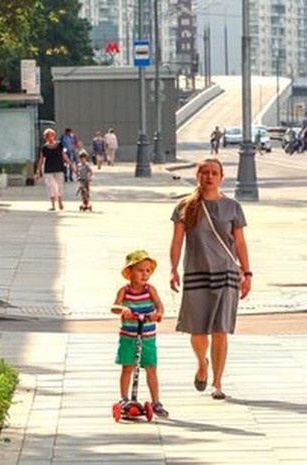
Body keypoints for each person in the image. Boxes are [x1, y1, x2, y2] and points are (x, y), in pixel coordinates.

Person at [169, 157, 251, 401]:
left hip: (226, 274)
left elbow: (240, 242)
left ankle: (217, 382)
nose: (209, 177)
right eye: (205, 172)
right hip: (196, 272)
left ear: (221, 177)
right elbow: (177, 241)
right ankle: (202, 364)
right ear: (198, 176)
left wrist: (247, 273)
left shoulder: (232, 207)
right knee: (197, 331)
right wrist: (173, 269)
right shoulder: (186, 206)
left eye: (214, 173)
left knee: (220, 329)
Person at [112, 250, 168, 417]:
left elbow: (160, 306)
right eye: (140, 270)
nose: (144, 274)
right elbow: (114, 307)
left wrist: (157, 314)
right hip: (128, 337)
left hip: (147, 337)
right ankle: (124, 398)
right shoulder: (124, 290)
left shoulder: (150, 290)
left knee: (151, 367)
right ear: (129, 272)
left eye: (147, 271)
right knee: (127, 367)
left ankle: (156, 401)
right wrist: (124, 309)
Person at [36, 128, 74, 211]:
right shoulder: (44, 147)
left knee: (59, 186)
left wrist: (71, 164)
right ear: (46, 137)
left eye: (52, 135)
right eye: (48, 136)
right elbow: (41, 159)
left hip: (59, 167)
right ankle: (53, 205)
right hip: (48, 169)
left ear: (54, 136)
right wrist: (38, 170)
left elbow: (64, 155)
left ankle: (60, 200)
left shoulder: (59, 145)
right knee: (51, 186)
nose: (50, 137)